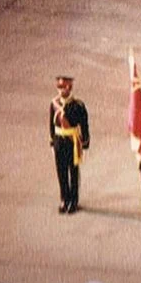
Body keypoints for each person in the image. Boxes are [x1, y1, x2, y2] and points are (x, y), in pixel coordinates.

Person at [48, 75, 90, 214]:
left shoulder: (78, 105)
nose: (61, 90)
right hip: (60, 140)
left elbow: (84, 125)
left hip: (72, 141)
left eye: (63, 87)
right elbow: (51, 125)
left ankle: (73, 200)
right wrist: (52, 142)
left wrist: (85, 143)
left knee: (73, 172)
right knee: (61, 172)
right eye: (59, 87)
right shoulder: (54, 104)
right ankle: (64, 199)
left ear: (69, 88)